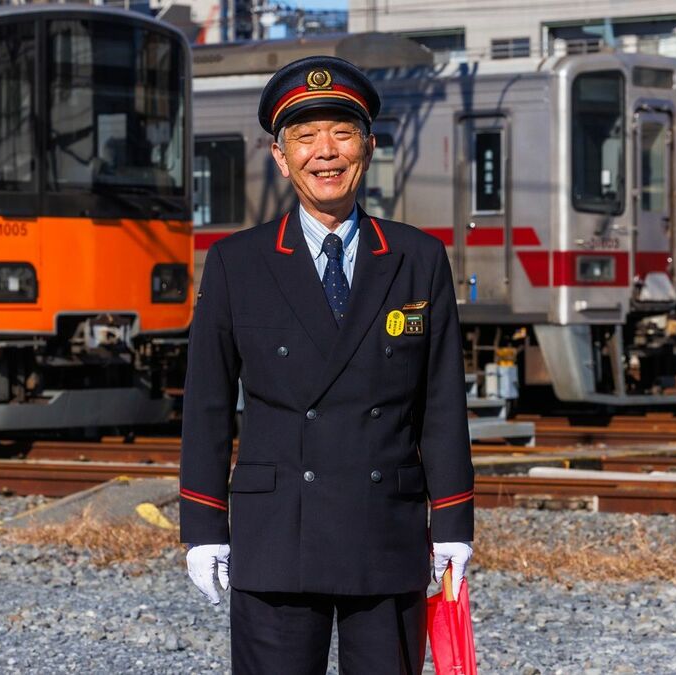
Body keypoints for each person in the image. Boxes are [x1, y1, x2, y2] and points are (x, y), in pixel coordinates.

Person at [180, 55, 474, 674]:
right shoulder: (238, 262)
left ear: (368, 147)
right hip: (277, 534)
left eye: (342, 133)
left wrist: (452, 521)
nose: (326, 152)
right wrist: (203, 525)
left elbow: (442, 401)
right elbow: (207, 405)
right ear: (280, 157)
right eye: (305, 137)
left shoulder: (417, 257)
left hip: (386, 532)